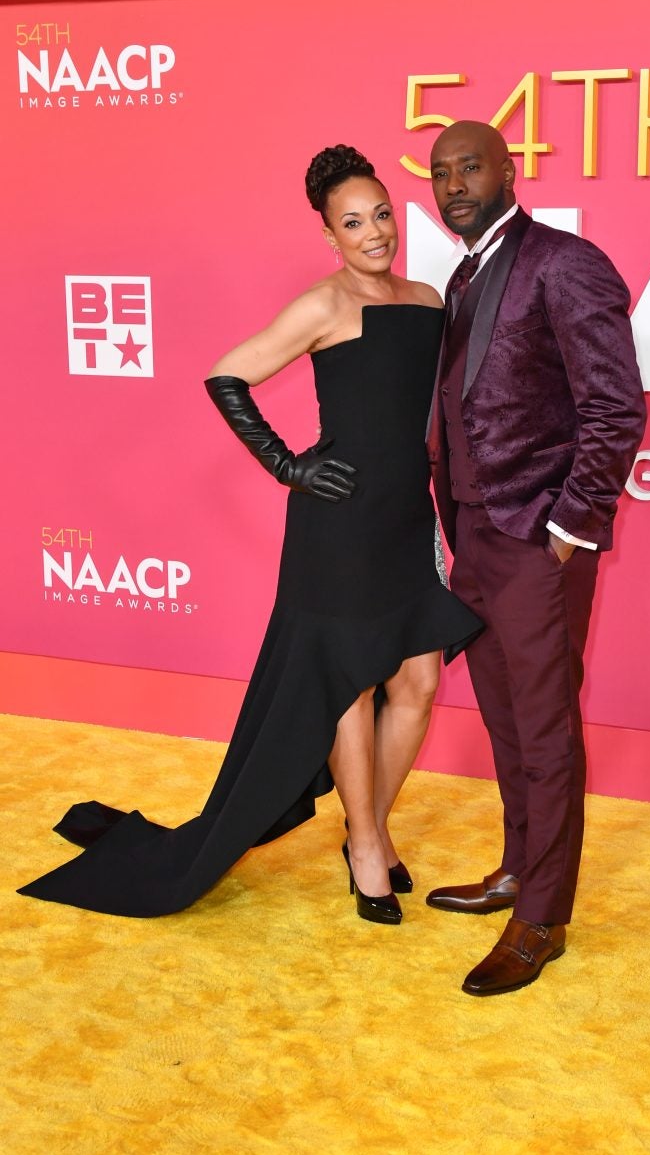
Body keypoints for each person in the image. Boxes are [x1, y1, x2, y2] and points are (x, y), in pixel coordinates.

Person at [18, 145, 482, 925]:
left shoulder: (427, 298)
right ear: (329, 235)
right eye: (353, 223)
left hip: (406, 520)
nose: (374, 233)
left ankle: (366, 827)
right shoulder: (323, 305)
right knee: (347, 683)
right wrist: (289, 468)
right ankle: (369, 845)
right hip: (338, 527)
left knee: (419, 684)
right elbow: (226, 374)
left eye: (381, 215)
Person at [423, 121, 646, 993]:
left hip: (535, 543)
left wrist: (569, 528)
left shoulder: (565, 262)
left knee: (547, 730)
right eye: (440, 173)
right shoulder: (464, 274)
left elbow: (615, 406)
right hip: (474, 538)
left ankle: (543, 917)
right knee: (507, 721)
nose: (454, 185)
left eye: (469, 167)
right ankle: (519, 870)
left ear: (509, 171)